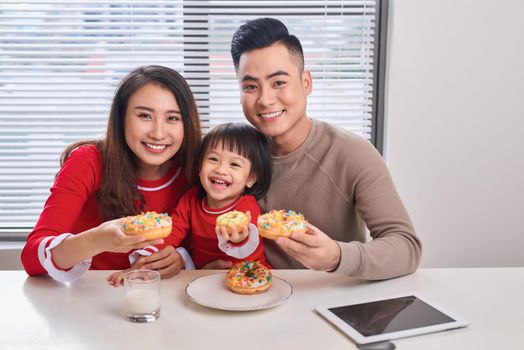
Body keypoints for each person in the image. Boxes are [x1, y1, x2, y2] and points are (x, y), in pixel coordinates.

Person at [228, 18, 422, 280]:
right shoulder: (231, 159)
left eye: (279, 82)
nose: (265, 99)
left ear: (306, 82)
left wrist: (337, 256)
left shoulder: (352, 153)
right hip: (255, 300)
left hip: (334, 301)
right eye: (250, 86)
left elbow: (406, 247)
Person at [21, 65, 202, 282]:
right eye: (145, 115)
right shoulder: (87, 162)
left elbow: (205, 247)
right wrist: (98, 239)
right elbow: (31, 258)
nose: (158, 133)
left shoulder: (196, 171)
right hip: (87, 299)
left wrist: (182, 258)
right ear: (121, 118)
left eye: (172, 118)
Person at [107, 122, 272, 286]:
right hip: (203, 280)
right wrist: (142, 265)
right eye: (213, 159)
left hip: (250, 279)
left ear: (251, 179)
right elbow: (170, 234)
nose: (221, 169)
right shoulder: (191, 199)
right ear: (200, 167)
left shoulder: (246, 206)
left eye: (234, 164)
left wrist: (240, 238)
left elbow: (249, 237)